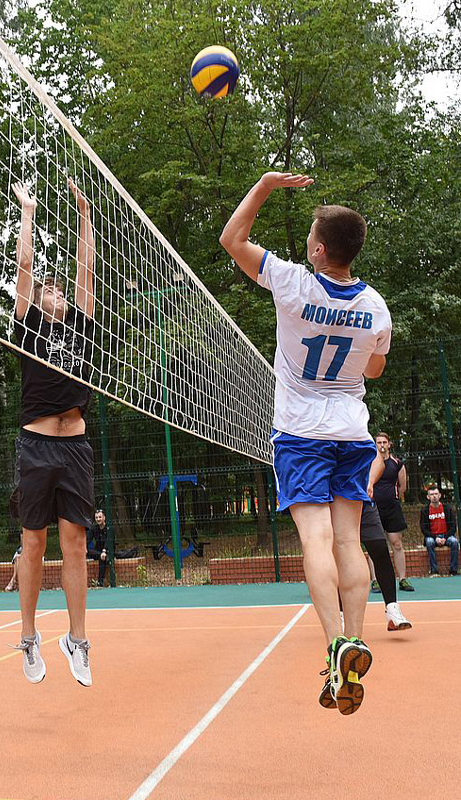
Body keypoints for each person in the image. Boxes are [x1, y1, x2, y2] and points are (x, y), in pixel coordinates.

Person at [220, 171, 391, 715]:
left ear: (318, 249)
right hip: (352, 432)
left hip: (300, 434)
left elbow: (232, 239)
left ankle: (336, 643)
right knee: (348, 542)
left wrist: (265, 185)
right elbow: (375, 368)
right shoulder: (375, 306)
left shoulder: (293, 282)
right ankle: (354, 642)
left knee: (316, 540)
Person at [10, 177, 95, 687]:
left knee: (76, 544)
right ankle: (28, 635)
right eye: (50, 290)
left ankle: (77, 640)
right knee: (34, 543)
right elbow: (23, 269)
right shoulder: (28, 328)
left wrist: (84, 214)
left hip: (75, 446)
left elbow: (87, 269)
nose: (58, 293)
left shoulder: (81, 328)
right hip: (36, 445)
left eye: (61, 290)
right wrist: (28, 211)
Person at [372, 432, 414, 592]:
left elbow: (402, 487)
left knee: (396, 544)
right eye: (379, 442)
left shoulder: (397, 464)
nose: (382, 445)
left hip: (392, 509)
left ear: (389, 444)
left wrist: (392, 498)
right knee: (375, 545)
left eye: (384, 442)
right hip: (373, 509)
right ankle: (375, 581)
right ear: (375, 445)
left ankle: (402, 579)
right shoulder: (370, 463)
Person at [86, 509, 139, 586]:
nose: (98, 519)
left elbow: (109, 541)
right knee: (89, 551)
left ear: (104, 517)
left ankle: (100, 582)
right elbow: (88, 540)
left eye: (100, 517)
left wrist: (104, 551)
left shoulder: (109, 528)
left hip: (108, 551)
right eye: (96, 517)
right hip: (98, 552)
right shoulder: (94, 528)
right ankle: (105, 557)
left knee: (103, 558)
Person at [420, 486, 458, 576]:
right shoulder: (425, 511)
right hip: (432, 537)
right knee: (429, 542)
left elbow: (453, 526)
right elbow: (423, 529)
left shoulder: (447, 509)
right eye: (431, 494)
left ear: (440, 495)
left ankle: (453, 570)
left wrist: (445, 537)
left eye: (436, 494)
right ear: (428, 497)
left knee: (455, 542)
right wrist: (435, 538)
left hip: (446, 536)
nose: (434, 496)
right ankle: (434, 570)